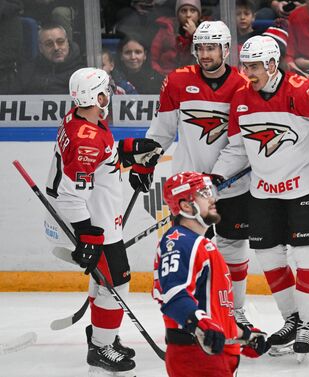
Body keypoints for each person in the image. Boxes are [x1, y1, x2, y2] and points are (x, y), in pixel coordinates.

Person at [211, 35, 309, 360]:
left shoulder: (300, 88)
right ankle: (292, 320)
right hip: (265, 189)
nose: (248, 72)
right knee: (268, 255)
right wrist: (216, 177)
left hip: (306, 185)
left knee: (307, 254)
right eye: (245, 65)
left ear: (271, 64)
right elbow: (238, 148)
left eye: (254, 66)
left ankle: (307, 323)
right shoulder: (241, 98)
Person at [43, 67, 163, 374]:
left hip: (102, 219)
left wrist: (132, 151)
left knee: (106, 282)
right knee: (117, 284)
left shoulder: (81, 119)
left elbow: (102, 157)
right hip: (95, 223)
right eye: (105, 90)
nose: (108, 94)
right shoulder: (87, 140)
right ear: (97, 96)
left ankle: (101, 334)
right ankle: (101, 346)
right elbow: (71, 195)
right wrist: (88, 234)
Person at [145, 21, 256, 329]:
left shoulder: (243, 85)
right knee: (188, 251)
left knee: (233, 248)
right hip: (188, 189)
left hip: (232, 186)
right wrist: (146, 160)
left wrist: (217, 177)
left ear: (226, 49)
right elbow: (162, 131)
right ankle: (192, 316)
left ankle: (234, 312)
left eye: (212, 47)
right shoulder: (177, 81)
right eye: (200, 48)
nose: (205, 54)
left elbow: (242, 142)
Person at [153, 171, 269, 377]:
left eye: (210, 191)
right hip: (196, 358)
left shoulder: (201, 244)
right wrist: (202, 325)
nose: (213, 198)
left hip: (213, 357)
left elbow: (213, 313)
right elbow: (174, 295)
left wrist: (244, 336)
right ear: (185, 206)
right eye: (204, 193)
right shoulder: (181, 241)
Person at [19, 22, 85, 94]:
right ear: (40, 48)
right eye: (49, 44)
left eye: (60, 42)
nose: (56, 48)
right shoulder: (28, 72)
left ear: (67, 43)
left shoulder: (82, 73)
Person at [150, 0, 202, 75]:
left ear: (198, 15)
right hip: (166, 76)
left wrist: (195, 34)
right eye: (183, 11)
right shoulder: (165, 30)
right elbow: (153, 58)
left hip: (191, 76)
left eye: (193, 11)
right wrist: (161, 74)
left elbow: (205, 56)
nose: (188, 15)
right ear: (177, 14)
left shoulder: (205, 31)